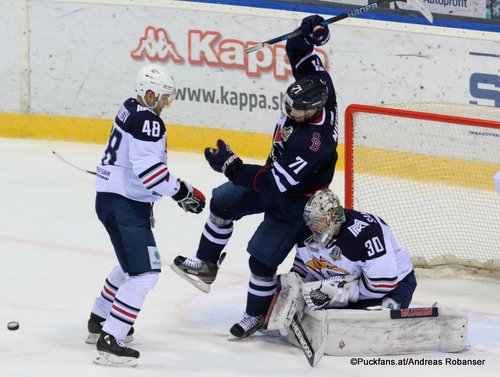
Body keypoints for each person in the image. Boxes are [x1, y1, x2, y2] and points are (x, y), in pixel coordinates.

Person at [171, 15, 339, 339]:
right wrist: (310, 30)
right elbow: (298, 49)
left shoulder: (313, 142)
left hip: (295, 202)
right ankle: (205, 267)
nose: (290, 114)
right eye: (288, 107)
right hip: (272, 177)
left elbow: (275, 181)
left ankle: (255, 316)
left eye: (297, 113)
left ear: (314, 111)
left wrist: (231, 167)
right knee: (222, 201)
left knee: (261, 262)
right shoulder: (321, 88)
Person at [87, 64, 206, 367]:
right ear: (149, 94)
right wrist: (182, 192)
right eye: (163, 97)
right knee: (145, 274)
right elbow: (151, 173)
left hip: (113, 198)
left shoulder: (130, 106)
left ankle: (99, 319)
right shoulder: (148, 122)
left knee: (130, 266)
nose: (166, 104)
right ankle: (111, 341)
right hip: (124, 204)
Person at [292, 188, 416, 311]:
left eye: (318, 220)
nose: (312, 225)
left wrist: (344, 293)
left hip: (394, 285)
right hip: (352, 286)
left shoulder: (366, 233)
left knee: (371, 323)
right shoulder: (307, 233)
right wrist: (292, 287)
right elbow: (303, 269)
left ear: (334, 216)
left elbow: (383, 284)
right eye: (310, 221)